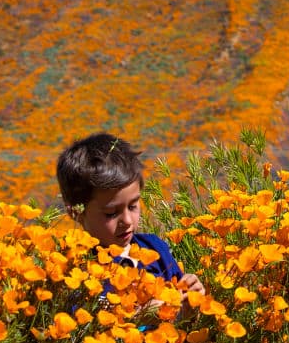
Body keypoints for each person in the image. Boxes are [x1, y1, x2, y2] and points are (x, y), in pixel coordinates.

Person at [56, 132, 205, 320]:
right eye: (111, 213)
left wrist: (191, 305)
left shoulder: (155, 249)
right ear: (75, 212)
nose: (127, 220)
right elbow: (81, 336)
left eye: (133, 206)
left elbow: (181, 318)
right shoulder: (76, 272)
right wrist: (138, 316)